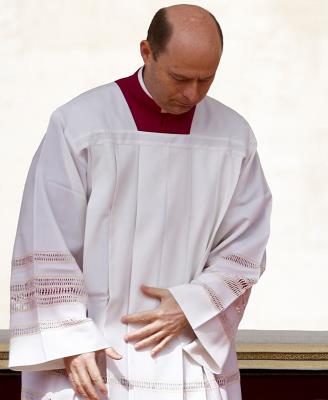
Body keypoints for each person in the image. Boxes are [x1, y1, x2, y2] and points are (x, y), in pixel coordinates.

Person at [9, 5, 271, 400]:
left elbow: (245, 245)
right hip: (94, 353)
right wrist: (70, 340)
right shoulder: (80, 124)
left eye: (206, 79)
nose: (192, 94)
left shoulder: (233, 137)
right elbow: (46, 237)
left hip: (185, 351)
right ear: (147, 52)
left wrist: (193, 305)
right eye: (180, 78)